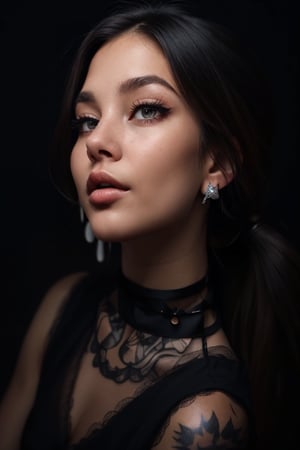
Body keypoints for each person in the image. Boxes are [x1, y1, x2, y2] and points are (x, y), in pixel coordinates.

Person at [0, 1, 299, 449]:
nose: (97, 141)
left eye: (145, 110)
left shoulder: (205, 417)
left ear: (217, 162)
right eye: (87, 119)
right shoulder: (62, 306)